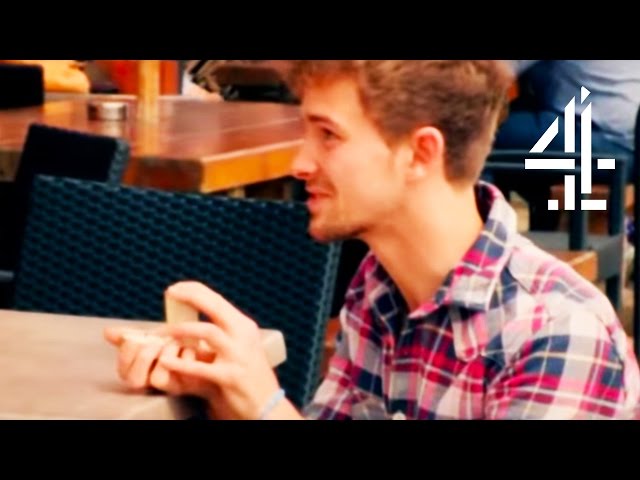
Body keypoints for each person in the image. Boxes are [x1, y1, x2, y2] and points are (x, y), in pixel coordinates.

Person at [104, 60, 640, 420]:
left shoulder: (559, 335)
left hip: (591, 132)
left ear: (420, 153)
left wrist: (266, 405)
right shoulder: (381, 284)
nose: (299, 163)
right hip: (581, 124)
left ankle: (582, 215)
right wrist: (225, 393)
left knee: (557, 147)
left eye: (328, 135)